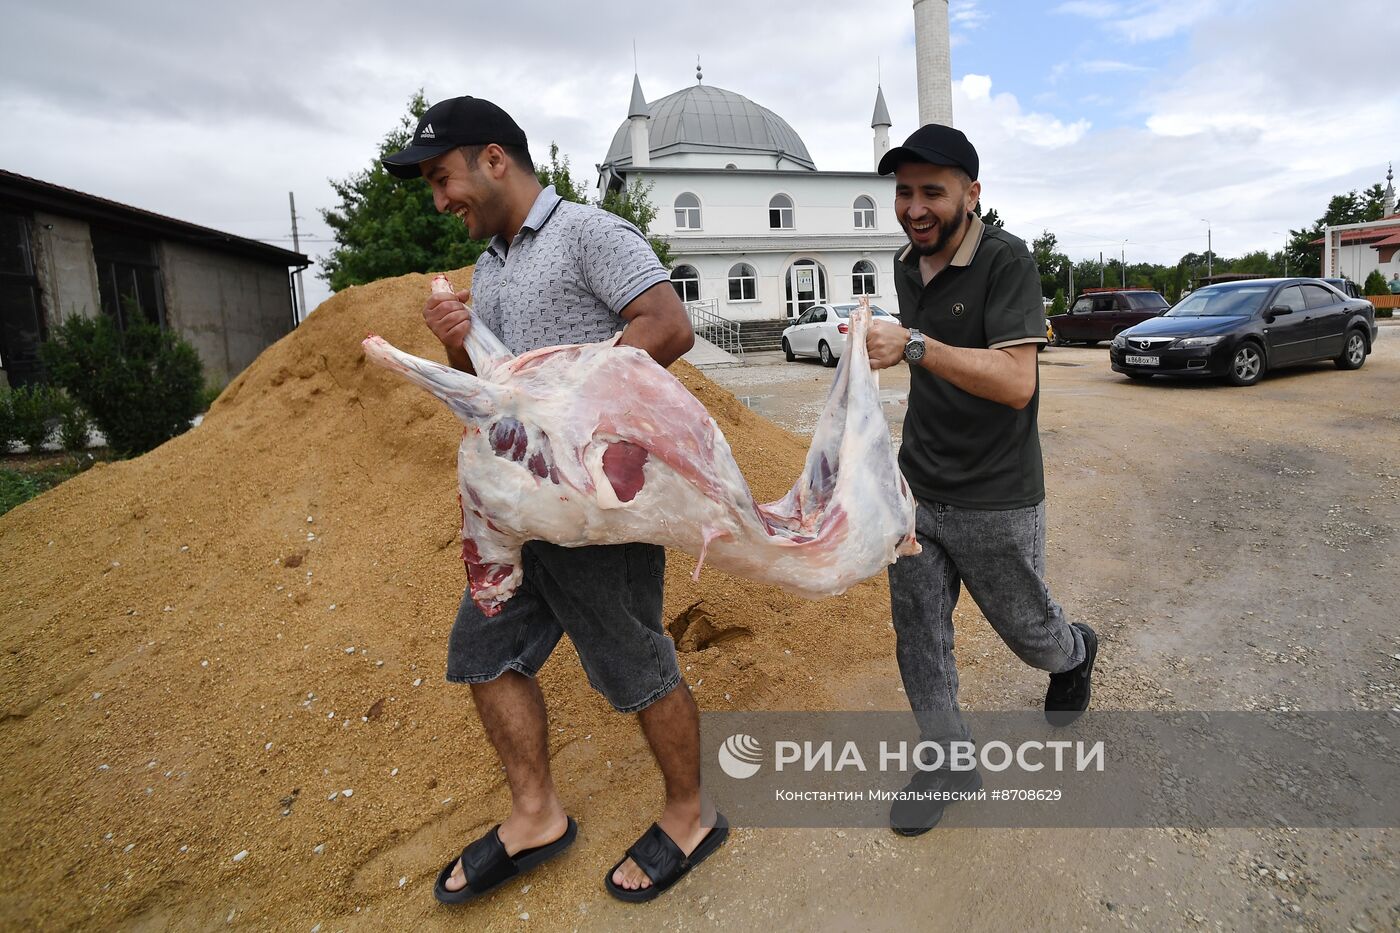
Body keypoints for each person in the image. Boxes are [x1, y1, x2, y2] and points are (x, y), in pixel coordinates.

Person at [381, 95, 726, 905]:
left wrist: (565, 400)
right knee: (482, 656)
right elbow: (491, 396)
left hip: (598, 511)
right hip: (520, 518)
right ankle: (535, 813)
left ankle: (691, 813)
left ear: (494, 159)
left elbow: (668, 326)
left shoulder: (588, 234)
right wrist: (455, 339)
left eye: (442, 177)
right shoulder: (492, 266)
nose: (438, 200)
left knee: (637, 667)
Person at [865, 124, 1098, 836]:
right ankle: (948, 759)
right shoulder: (907, 266)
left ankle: (1075, 650)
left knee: (1028, 632)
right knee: (919, 634)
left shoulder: (1008, 261)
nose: (914, 207)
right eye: (904, 192)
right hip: (916, 490)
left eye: (932, 191)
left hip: (996, 495)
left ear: (972, 193)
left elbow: (1017, 381)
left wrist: (912, 343)